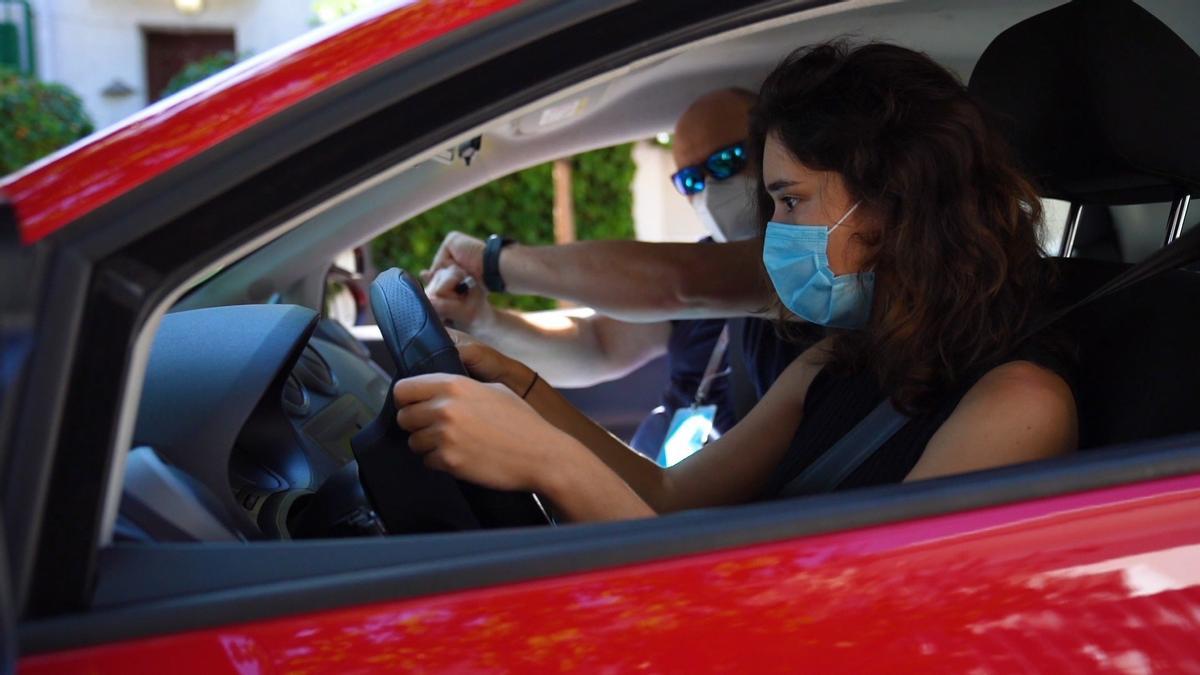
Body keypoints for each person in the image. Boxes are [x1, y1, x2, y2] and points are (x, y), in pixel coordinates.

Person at [396, 42, 1078, 522]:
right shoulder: (836, 360)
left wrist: (549, 464)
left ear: (892, 200)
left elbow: (845, 625)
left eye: (789, 200)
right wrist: (519, 385)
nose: (774, 233)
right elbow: (666, 496)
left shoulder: (1019, 401)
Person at [425, 88, 810, 460]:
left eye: (727, 160)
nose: (710, 187)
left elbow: (677, 283)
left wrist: (495, 262)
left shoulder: (806, 259)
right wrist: (485, 322)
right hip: (670, 487)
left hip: (731, 514)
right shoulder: (710, 253)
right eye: (690, 180)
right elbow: (599, 344)